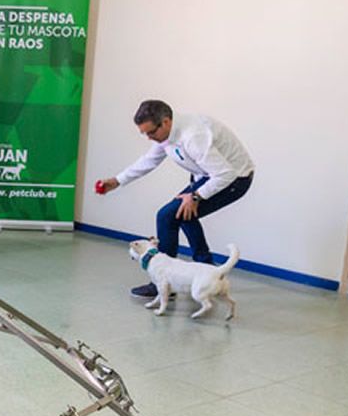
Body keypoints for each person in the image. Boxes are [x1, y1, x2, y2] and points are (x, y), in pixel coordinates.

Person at [97, 100, 254, 298]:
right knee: (183, 214)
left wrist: (195, 196)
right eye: (144, 133)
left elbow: (225, 174)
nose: (149, 138)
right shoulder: (166, 134)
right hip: (208, 175)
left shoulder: (193, 136)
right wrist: (117, 181)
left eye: (151, 132)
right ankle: (207, 269)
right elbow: (149, 160)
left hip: (235, 179)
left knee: (167, 216)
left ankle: (163, 283)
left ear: (165, 122)